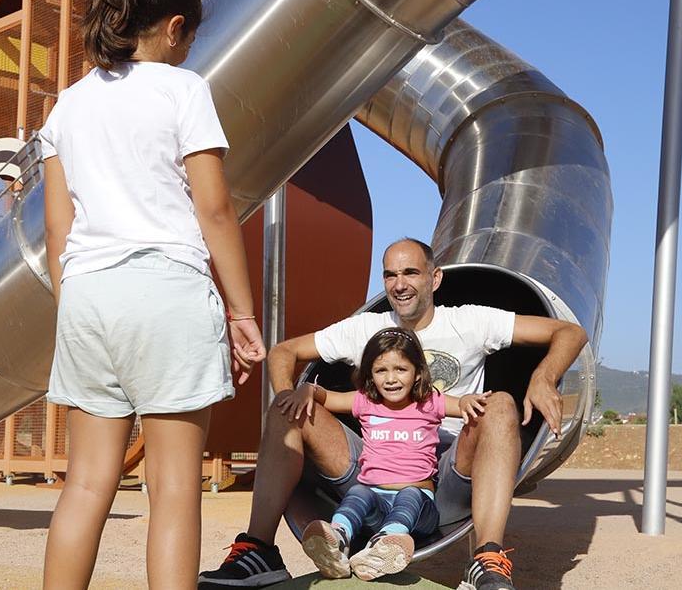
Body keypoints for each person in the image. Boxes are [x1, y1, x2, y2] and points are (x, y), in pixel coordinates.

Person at [39, 0, 266, 589]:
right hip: (167, 288)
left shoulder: (68, 107)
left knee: (85, 485)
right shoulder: (184, 89)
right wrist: (243, 313)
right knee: (172, 489)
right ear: (172, 28)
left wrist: (75, 303)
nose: (189, 48)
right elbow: (215, 210)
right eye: (189, 36)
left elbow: (58, 228)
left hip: (87, 295)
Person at [198, 238, 587, 590]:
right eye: (390, 274)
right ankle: (260, 550)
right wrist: (290, 393)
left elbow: (570, 332)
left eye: (410, 273)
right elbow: (284, 352)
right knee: (287, 408)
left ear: (434, 278)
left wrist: (543, 376)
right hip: (374, 461)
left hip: (446, 471)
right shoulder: (366, 328)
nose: (399, 284)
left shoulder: (470, 320)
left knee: (500, 402)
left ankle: (486, 557)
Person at [293, 327, 491, 581]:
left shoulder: (429, 401)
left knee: (410, 494)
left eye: (401, 369)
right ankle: (337, 539)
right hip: (375, 504)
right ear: (370, 375)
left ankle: (386, 544)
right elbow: (328, 398)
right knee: (358, 492)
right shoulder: (365, 401)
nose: (391, 379)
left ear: (418, 372)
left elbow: (459, 404)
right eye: (380, 370)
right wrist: (308, 389)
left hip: (420, 509)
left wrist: (465, 402)